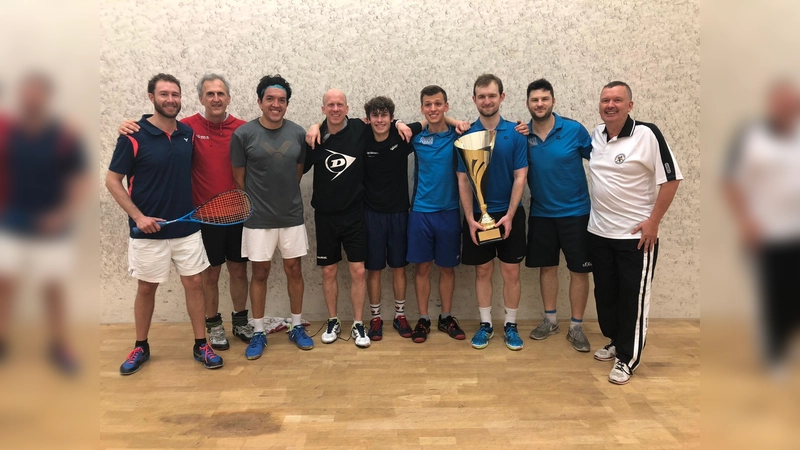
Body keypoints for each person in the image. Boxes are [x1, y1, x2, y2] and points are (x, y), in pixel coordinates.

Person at [118, 74, 252, 352]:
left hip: (236, 214)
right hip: (203, 216)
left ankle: (240, 322)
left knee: (239, 271)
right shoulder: (187, 128)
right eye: (210, 94)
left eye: (220, 93)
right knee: (210, 275)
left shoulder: (242, 129)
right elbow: (154, 130)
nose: (216, 98)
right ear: (201, 99)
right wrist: (127, 126)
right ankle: (213, 325)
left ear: (229, 98)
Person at [106, 73, 223, 375]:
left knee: (194, 284)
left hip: (186, 227)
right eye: (164, 94)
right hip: (148, 231)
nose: (170, 100)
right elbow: (112, 181)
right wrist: (138, 217)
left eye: (175, 94)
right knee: (147, 288)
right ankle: (140, 346)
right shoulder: (133, 136)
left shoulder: (187, 134)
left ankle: (201, 344)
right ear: (151, 98)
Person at [588, 81, 683, 385]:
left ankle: (627, 359)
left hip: (635, 238)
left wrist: (654, 221)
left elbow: (671, 179)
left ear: (629, 105)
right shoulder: (596, 136)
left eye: (617, 100)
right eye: (605, 100)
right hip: (599, 234)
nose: (610, 105)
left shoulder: (647, 134)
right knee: (606, 295)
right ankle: (616, 341)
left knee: (633, 299)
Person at [0, 72, 89, 374]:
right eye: (27, 92)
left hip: (53, 227)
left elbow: (80, 179)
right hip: (11, 221)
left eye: (37, 92)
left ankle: (59, 345)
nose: (31, 98)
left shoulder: (64, 135)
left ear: (47, 97)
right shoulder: (6, 131)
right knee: (5, 283)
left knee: (53, 288)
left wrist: (63, 214)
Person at [231, 74, 313, 358]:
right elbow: (239, 178)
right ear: (260, 102)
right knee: (260, 273)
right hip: (258, 219)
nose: (276, 104)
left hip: (291, 216)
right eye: (270, 99)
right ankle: (258, 331)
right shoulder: (243, 135)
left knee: (294, 270)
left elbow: (297, 172)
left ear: (287, 104)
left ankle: (297, 326)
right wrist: (258, 204)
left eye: (281, 100)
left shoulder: (298, 133)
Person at [723, 80, 800, 374]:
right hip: (766, 232)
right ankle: (774, 355)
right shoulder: (751, 136)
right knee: (774, 295)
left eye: (791, 103)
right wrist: (746, 221)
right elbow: (731, 181)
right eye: (781, 103)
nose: (786, 108)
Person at [512, 79, 593, 352]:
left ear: (553, 101)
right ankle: (550, 321)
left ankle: (576, 327)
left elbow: (601, 162)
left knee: (578, 270)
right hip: (542, 215)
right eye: (534, 100)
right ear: (527, 104)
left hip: (577, 213)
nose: (540, 104)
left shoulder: (574, 130)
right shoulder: (522, 136)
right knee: (547, 268)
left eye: (544, 99)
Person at [457, 74, 528, 351]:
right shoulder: (465, 136)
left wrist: (509, 215)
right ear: (474, 99)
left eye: (492, 95)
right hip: (478, 218)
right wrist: (470, 218)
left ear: (502, 97)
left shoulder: (516, 134)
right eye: (482, 96)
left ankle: (511, 325)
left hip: (510, 215)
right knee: (483, 271)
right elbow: (463, 180)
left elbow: (520, 177)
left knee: (511, 273)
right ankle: (485, 324)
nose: (487, 101)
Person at [405, 85, 470, 343]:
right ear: (422, 108)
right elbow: (389, 128)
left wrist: (455, 122)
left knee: (447, 268)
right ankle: (423, 319)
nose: (433, 109)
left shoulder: (458, 136)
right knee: (422, 268)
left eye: (438, 104)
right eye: (428, 104)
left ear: (446, 106)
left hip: (449, 212)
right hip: (420, 212)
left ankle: (446, 317)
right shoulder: (415, 137)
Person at [360, 96, 418, 341]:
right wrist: (314, 127)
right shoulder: (361, 137)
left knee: (398, 268)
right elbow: (334, 123)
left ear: (391, 117)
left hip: (399, 214)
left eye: (384, 115)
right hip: (371, 215)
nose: (380, 120)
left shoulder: (402, 136)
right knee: (374, 270)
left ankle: (400, 315)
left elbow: (429, 122)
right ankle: (375, 318)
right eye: (375, 115)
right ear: (368, 119)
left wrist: (401, 123)